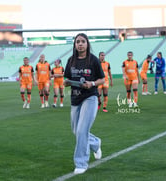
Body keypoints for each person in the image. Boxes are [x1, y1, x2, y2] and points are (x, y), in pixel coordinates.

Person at [64, 33, 105, 175]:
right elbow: (67, 78)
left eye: (82, 41)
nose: (80, 44)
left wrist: (92, 83)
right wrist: (66, 82)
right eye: (77, 42)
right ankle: (95, 143)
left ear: (87, 44)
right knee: (76, 131)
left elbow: (102, 80)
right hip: (75, 98)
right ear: (74, 45)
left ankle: (81, 163)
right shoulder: (71, 60)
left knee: (82, 131)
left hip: (90, 97)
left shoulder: (93, 60)